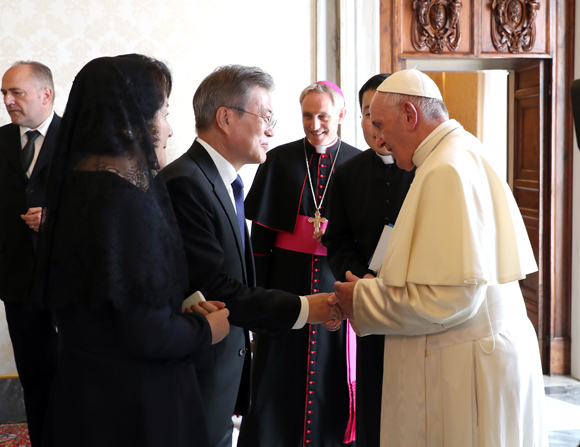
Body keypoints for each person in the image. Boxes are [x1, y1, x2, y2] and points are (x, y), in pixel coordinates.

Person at [333, 68, 547, 446]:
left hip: (468, 369)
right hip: (476, 355)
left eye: (381, 124)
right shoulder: (456, 152)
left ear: (411, 116)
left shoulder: (446, 167)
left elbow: (452, 297)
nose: (379, 138)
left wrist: (363, 299)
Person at [34, 54, 230, 447]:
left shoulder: (74, 190)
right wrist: (205, 329)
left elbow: (113, 308)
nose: (170, 130)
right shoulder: (125, 203)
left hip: (83, 396)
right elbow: (147, 335)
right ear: (129, 125)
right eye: (164, 113)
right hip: (135, 407)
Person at [162, 65, 341, 447]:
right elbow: (214, 286)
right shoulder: (187, 183)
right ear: (226, 118)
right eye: (266, 118)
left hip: (221, 367)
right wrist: (309, 308)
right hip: (198, 371)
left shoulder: (219, 180)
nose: (273, 131)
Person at [240, 81, 360, 447]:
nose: (314, 124)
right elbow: (260, 243)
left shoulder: (358, 164)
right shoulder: (279, 160)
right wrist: (256, 303)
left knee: (331, 377)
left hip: (334, 285)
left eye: (322, 115)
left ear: (340, 115)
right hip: (285, 287)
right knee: (279, 376)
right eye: (307, 115)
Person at [321, 73, 415, 447]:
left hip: (415, 304)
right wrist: (361, 280)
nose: (375, 128)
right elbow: (337, 240)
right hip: (371, 303)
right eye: (366, 115)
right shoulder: (347, 172)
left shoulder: (427, 169)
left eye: (380, 118)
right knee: (374, 403)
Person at [0, 61, 59, 446]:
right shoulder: (0, 141)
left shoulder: (79, 139)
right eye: (4, 94)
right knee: (34, 376)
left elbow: (103, 207)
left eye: (15, 92)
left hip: (68, 278)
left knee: (76, 375)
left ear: (45, 94)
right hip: (17, 281)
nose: (7, 101)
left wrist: (56, 218)